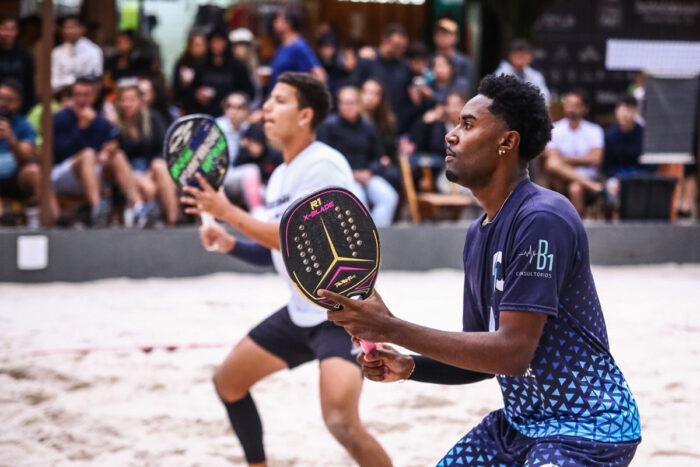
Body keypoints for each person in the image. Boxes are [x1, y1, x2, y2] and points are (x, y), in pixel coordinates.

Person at [321, 74, 641, 466]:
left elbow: (512, 353)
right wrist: (410, 365)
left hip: (589, 428)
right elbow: (481, 356)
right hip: (520, 425)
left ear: (507, 142)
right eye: (456, 123)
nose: (451, 136)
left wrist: (389, 327)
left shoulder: (543, 217)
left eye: (468, 124)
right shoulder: (478, 233)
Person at [179, 72, 391, 467]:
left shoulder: (324, 164)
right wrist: (230, 245)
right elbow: (281, 255)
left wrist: (227, 212)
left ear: (305, 114)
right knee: (228, 383)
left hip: (339, 317)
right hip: (300, 311)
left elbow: (297, 241)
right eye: (268, 100)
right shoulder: (279, 175)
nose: (266, 109)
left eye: (278, 101)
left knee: (341, 422)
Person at [52, 77, 143, 227]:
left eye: (86, 95)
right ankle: (97, 210)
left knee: (117, 155)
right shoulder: (59, 119)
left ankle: (139, 208)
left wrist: (106, 154)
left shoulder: (102, 122)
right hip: (63, 174)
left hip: (92, 173)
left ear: (94, 96)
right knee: (88, 154)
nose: (81, 100)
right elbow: (59, 153)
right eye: (77, 95)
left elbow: (105, 148)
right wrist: (81, 128)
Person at [317, 86, 399, 226]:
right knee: (358, 201)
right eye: (343, 103)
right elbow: (325, 157)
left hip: (367, 175)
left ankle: (379, 233)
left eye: (351, 103)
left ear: (360, 105)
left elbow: (378, 156)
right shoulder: (329, 126)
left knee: (389, 197)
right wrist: (352, 174)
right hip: (342, 177)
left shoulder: (369, 126)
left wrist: (369, 171)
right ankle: (366, 240)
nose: (347, 107)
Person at [114, 83, 177, 227]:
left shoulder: (154, 119)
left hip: (151, 170)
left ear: (140, 101)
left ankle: (172, 218)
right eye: (124, 100)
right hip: (128, 175)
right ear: (119, 103)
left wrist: (149, 172)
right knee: (148, 187)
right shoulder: (115, 127)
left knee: (160, 166)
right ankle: (144, 212)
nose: (128, 104)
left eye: (132, 99)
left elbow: (164, 149)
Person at [543, 91, 604, 217]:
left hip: (586, 174)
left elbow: (596, 158)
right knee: (552, 164)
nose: (572, 109)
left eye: (576, 105)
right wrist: (583, 159)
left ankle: (576, 227)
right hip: (560, 178)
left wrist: (565, 160)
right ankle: (593, 186)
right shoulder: (555, 128)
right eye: (569, 104)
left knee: (575, 188)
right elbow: (552, 160)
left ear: (584, 108)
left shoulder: (594, 130)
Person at [0, 79, 48, 226]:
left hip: (15, 176)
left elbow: (26, 159)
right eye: (1, 98)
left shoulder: (24, 125)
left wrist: (11, 139)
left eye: (9, 100)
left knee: (34, 171)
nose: (3, 104)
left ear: (18, 102)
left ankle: (37, 221)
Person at [350, 24, 413, 133]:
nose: (400, 50)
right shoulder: (368, 61)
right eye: (396, 46)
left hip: (391, 124)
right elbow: (354, 88)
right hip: (365, 121)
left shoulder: (404, 66)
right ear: (384, 40)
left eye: (403, 47)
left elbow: (407, 98)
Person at [191, 28, 253, 117]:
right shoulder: (201, 65)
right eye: (214, 41)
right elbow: (192, 91)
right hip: (206, 113)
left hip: (231, 116)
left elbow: (248, 92)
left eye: (220, 41)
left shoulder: (237, 66)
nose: (216, 45)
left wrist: (233, 99)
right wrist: (198, 95)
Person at [268, 8, 326, 92]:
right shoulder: (282, 46)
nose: (274, 23)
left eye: (278, 20)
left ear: (288, 23)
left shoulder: (299, 46)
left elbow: (320, 75)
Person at [51, 15, 103, 92]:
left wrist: (67, 81)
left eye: (72, 27)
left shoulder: (94, 51)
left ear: (82, 29)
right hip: (62, 95)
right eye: (66, 27)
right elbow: (54, 82)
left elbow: (93, 78)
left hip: (86, 96)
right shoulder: (56, 52)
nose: (68, 31)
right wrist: (74, 81)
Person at [494, 39, 550, 105]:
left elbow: (545, 97)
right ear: (510, 56)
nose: (520, 60)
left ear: (530, 57)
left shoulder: (536, 75)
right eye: (518, 56)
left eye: (523, 56)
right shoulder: (501, 73)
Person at [0, 16, 35, 114]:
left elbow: (29, 84)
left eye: (12, 29)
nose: (8, 33)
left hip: (20, 107)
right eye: (5, 29)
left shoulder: (24, 54)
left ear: (17, 32)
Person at [431, 17, 475, 94]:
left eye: (446, 34)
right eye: (439, 33)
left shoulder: (465, 62)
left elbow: (465, 91)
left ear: (456, 37)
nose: (442, 37)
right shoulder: (429, 60)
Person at [172, 30, 207, 115]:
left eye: (203, 45)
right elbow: (176, 90)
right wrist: (185, 85)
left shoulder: (210, 63)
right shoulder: (183, 63)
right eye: (197, 45)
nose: (200, 48)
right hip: (187, 109)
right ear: (190, 47)